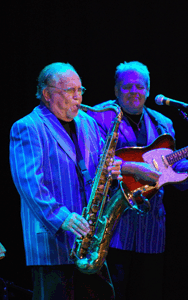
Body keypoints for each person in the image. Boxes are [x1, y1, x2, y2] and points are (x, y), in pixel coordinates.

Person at [87, 61, 188, 300]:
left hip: (152, 230)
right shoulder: (98, 117)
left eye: (139, 87)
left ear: (148, 90)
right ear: (116, 90)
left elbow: (170, 168)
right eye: (127, 87)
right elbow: (93, 163)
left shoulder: (163, 123)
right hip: (115, 230)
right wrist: (136, 169)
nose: (134, 92)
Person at [9, 62, 122, 300]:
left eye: (80, 90)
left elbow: (99, 170)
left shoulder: (89, 122)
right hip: (53, 242)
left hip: (90, 241)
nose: (78, 97)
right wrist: (63, 217)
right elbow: (29, 184)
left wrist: (112, 172)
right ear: (47, 94)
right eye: (70, 91)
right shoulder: (27, 127)